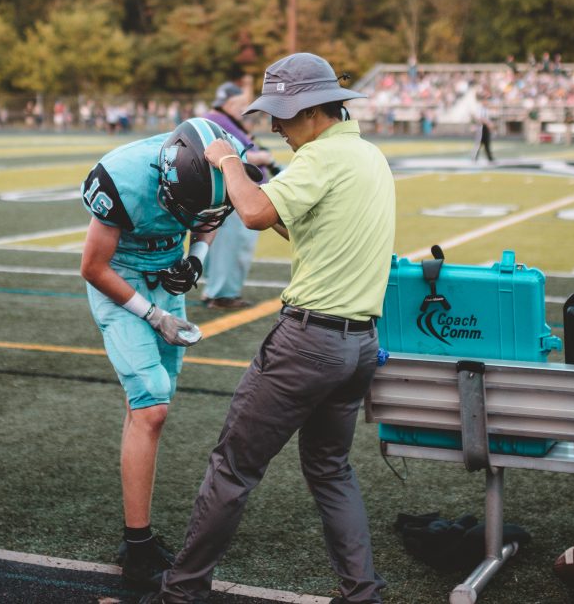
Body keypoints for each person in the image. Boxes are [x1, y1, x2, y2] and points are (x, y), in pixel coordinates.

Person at [143, 52, 397, 604]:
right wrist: (252, 189)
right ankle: (362, 595)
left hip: (308, 343)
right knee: (331, 470)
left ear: (310, 109)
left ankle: (180, 592)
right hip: (359, 346)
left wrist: (229, 162)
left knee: (232, 469)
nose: (276, 126)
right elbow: (304, 232)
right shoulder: (369, 157)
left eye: (281, 115)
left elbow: (257, 215)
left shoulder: (319, 160)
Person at [79, 117, 252, 590]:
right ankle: (136, 543)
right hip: (122, 277)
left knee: (154, 404)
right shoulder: (123, 176)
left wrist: (195, 259)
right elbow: (92, 266)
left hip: (168, 271)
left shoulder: (223, 163)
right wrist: (152, 314)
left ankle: (137, 531)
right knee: (152, 404)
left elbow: (212, 219)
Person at [199, 80, 276, 310]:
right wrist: (262, 158)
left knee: (221, 245)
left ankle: (215, 290)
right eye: (241, 103)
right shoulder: (219, 121)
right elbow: (226, 154)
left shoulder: (215, 119)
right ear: (231, 103)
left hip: (226, 192)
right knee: (233, 245)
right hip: (234, 192)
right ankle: (223, 294)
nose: (244, 109)